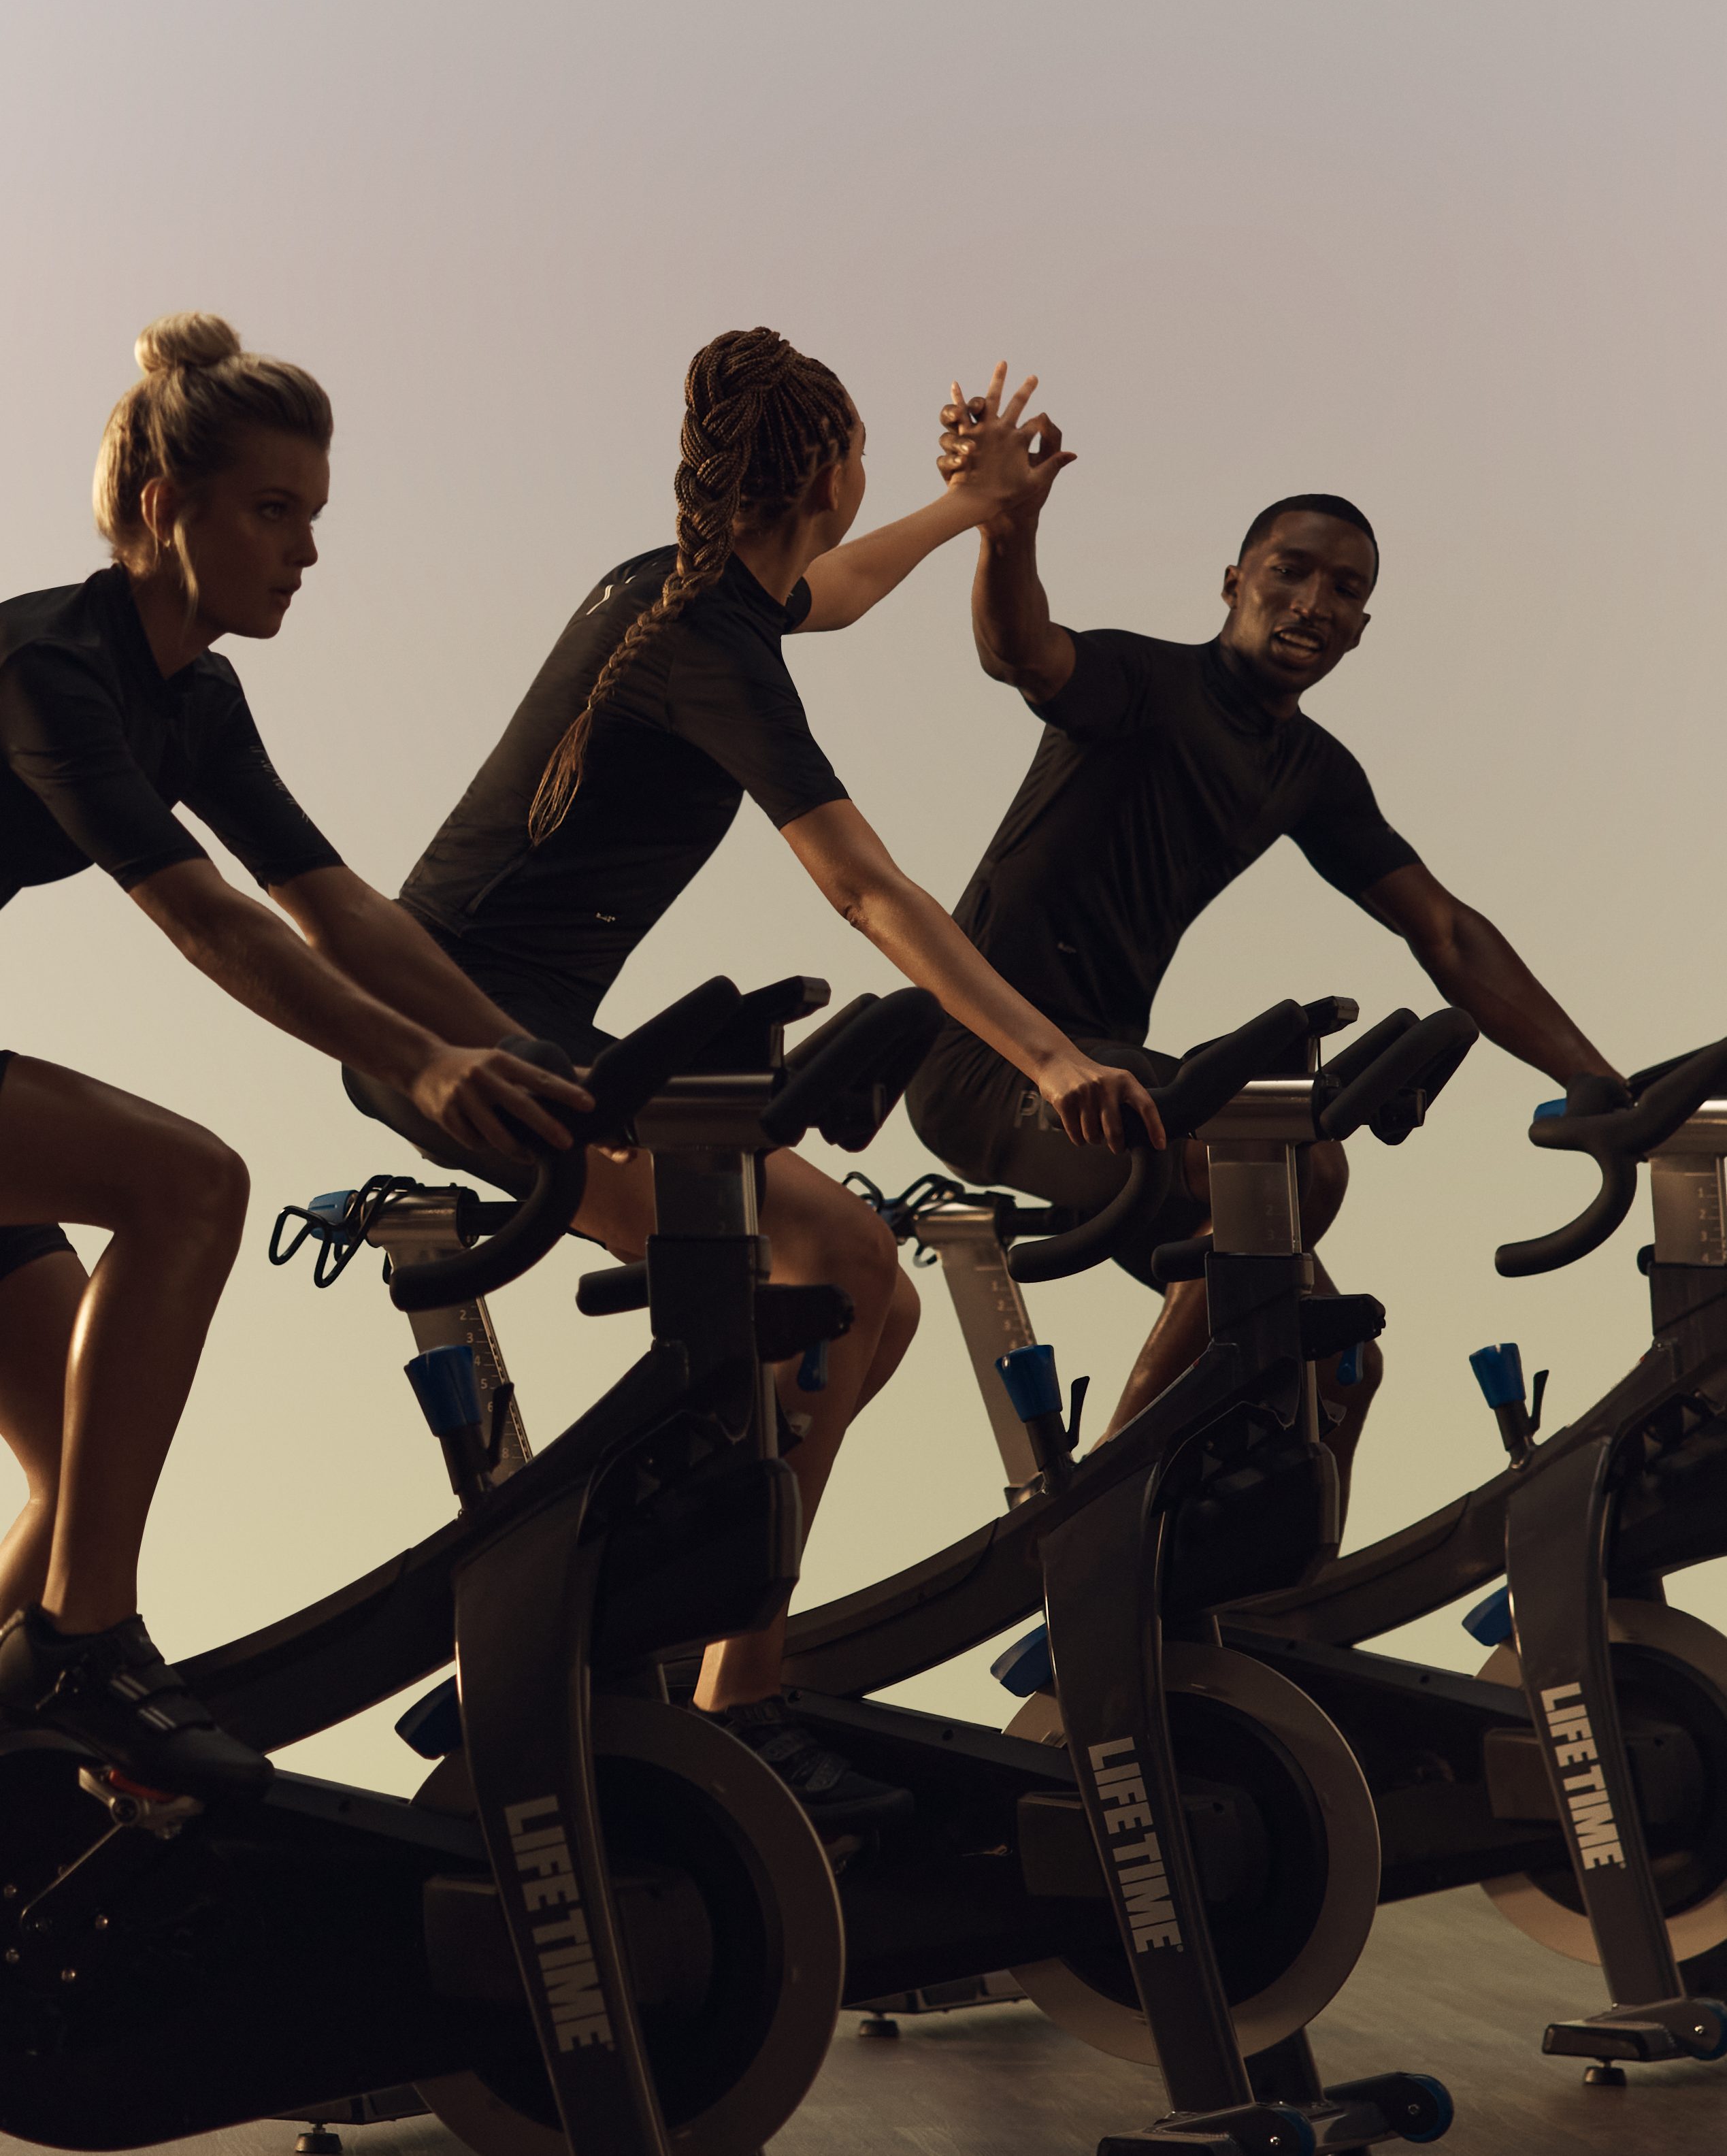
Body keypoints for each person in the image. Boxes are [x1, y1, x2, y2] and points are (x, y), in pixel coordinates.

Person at [398, 328, 1162, 1830]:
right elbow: (868, 889)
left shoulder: (690, 594)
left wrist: (981, 514)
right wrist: (1053, 1053)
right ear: (825, 469)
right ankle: (649, 1657)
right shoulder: (703, 645)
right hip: (463, 1037)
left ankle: (684, 1650)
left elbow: (846, 587)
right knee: (829, 1253)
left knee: (859, 1287)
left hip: (524, 1020)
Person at [0, 314, 591, 1800]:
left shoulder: (192, 696)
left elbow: (337, 911)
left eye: (313, 517)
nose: (307, 553)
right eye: (275, 512)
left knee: (80, 1476)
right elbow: (201, 915)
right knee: (189, 1183)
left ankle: (48, 1667)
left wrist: (524, 1062)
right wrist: (421, 1065)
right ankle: (86, 1656)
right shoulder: (50, 667)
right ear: (162, 509)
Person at [907, 387, 1620, 1509]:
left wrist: (1592, 1079)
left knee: (1338, 1363)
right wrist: (1007, 522)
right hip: (993, 1064)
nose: (1312, 601)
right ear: (1232, 581)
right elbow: (1020, 651)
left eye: (1345, 589)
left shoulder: (1311, 772)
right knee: (1295, 1163)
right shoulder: (1143, 683)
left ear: (1362, 627)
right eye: (1288, 570)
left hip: (1116, 1076)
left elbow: (1440, 928)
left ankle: (1258, 1617)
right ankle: (1101, 1509)